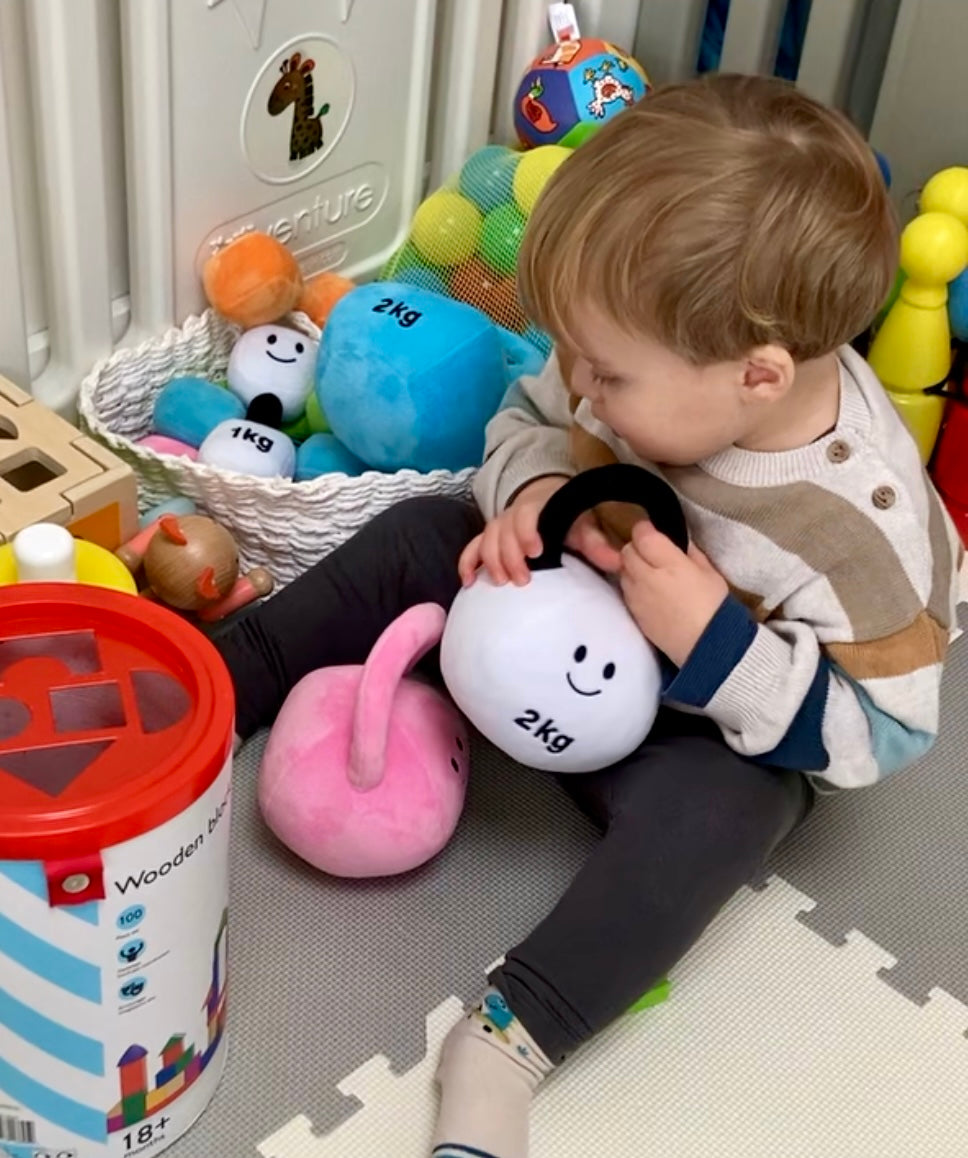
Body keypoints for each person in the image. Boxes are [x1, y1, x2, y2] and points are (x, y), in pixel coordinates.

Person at [215, 74, 962, 1158]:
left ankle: (513, 1037)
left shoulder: (858, 533)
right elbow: (529, 414)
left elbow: (880, 736)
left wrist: (715, 640)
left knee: (732, 810)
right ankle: (215, 687)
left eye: (606, 376)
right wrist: (521, 497)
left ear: (756, 376)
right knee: (422, 529)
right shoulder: (627, 358)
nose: (583, 390)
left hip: (684, 729)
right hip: (536, 616)